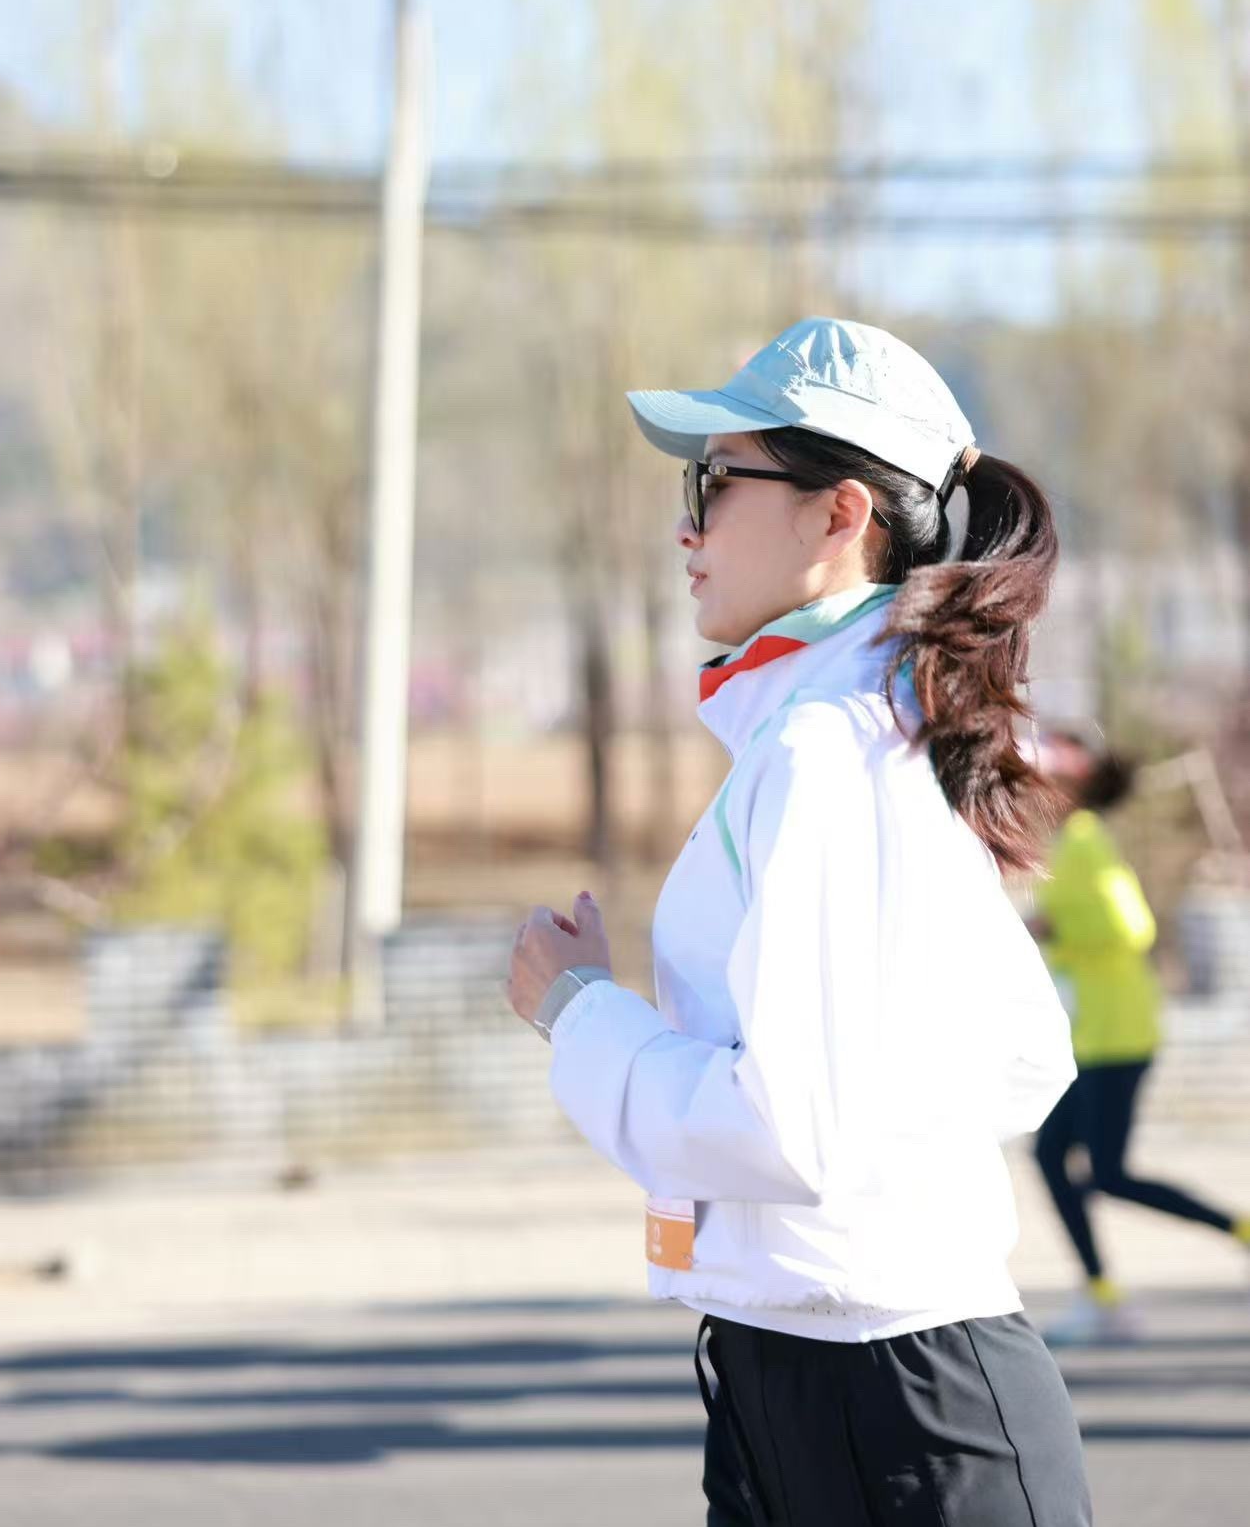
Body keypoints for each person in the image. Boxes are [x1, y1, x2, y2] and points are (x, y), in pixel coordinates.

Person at [507, 316, 1092, 1526]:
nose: (687, 523)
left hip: (887, 1402)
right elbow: (1025, 1055)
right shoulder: (859, 726)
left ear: (840, 515)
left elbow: (787, 1129)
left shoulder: (835, 746)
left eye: (715, 482)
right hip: (821, 1371)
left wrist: (579, 1014)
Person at [1031, 730, 1250, 1345]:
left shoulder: (1084, 842)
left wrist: (1052, 932)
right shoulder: (1073, 842)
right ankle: (1102, 1293)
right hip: (1098, 1035)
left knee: (1106, 1173)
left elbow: (1131, 928)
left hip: (1118, 1033)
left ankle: (1236, 1234)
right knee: (1056, 1158)